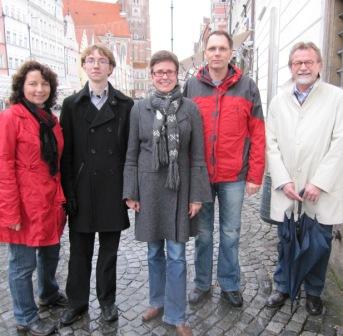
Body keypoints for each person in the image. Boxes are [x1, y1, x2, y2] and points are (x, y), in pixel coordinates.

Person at [123, 50, 212, 336]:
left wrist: (197, 195)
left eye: (169, 72)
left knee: (176, 254)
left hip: (179, 188)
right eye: (159, 72)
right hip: (148, 190)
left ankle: (176, 314)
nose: (164, 76)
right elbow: (131, 155)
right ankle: (157, 301)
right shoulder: (139, 109)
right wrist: (130, 192)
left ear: (177, 75)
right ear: (152, 76)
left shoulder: (190, 109)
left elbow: (198, 156)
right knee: (153, 253)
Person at [183, 30, 265, 307]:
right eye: (211, 49)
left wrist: (255, 175)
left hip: (235, 175)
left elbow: (258, 132)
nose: (216, 53)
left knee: (231, 233)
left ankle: (230, 284)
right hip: (201, 175)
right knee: (203, 234)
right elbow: (184, 134)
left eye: (221, 48)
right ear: (204, 53)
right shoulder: (192, 87)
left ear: (231, 53)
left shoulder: (247, 86)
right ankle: (202, 283)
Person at [265, 42, 343, 315]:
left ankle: (313, 292)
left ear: (319, 65)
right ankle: (283, 286)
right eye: (298, 63)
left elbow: (340, 142)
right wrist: (283, 180)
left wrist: (319, 182)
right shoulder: (279, 99)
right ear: (291, 67)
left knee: (319, 243)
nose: (304, 67)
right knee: (287, 239)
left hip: (321, 188)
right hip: (289, 187)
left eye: (309, 62)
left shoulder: (336, 98)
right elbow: (271, 143)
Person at [60, 44, 134, 325]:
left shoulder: (126, 105)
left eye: (102, 61)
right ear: (84, 66)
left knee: (108, 253)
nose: (95, 65)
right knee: (79, 253)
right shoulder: (71, 105)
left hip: (112, 190)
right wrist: (68, 192)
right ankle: (77, 303)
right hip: (81, 189)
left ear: (110, 68)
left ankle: (107, 301)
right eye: (90, 60)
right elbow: (66, 155)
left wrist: (129, 191)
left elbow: (131, 154)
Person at [0, 61, 67, 336]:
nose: (39, 89)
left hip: (49, 201)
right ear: (21, 87)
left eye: (44, 84)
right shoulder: (10, 117)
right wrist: (9, 213)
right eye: (33, 83)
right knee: (22, 264)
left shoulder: (49, 119)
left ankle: (48, 292)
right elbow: (3, 166)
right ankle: (25, 316)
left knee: (51, 253)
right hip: (24, 204)